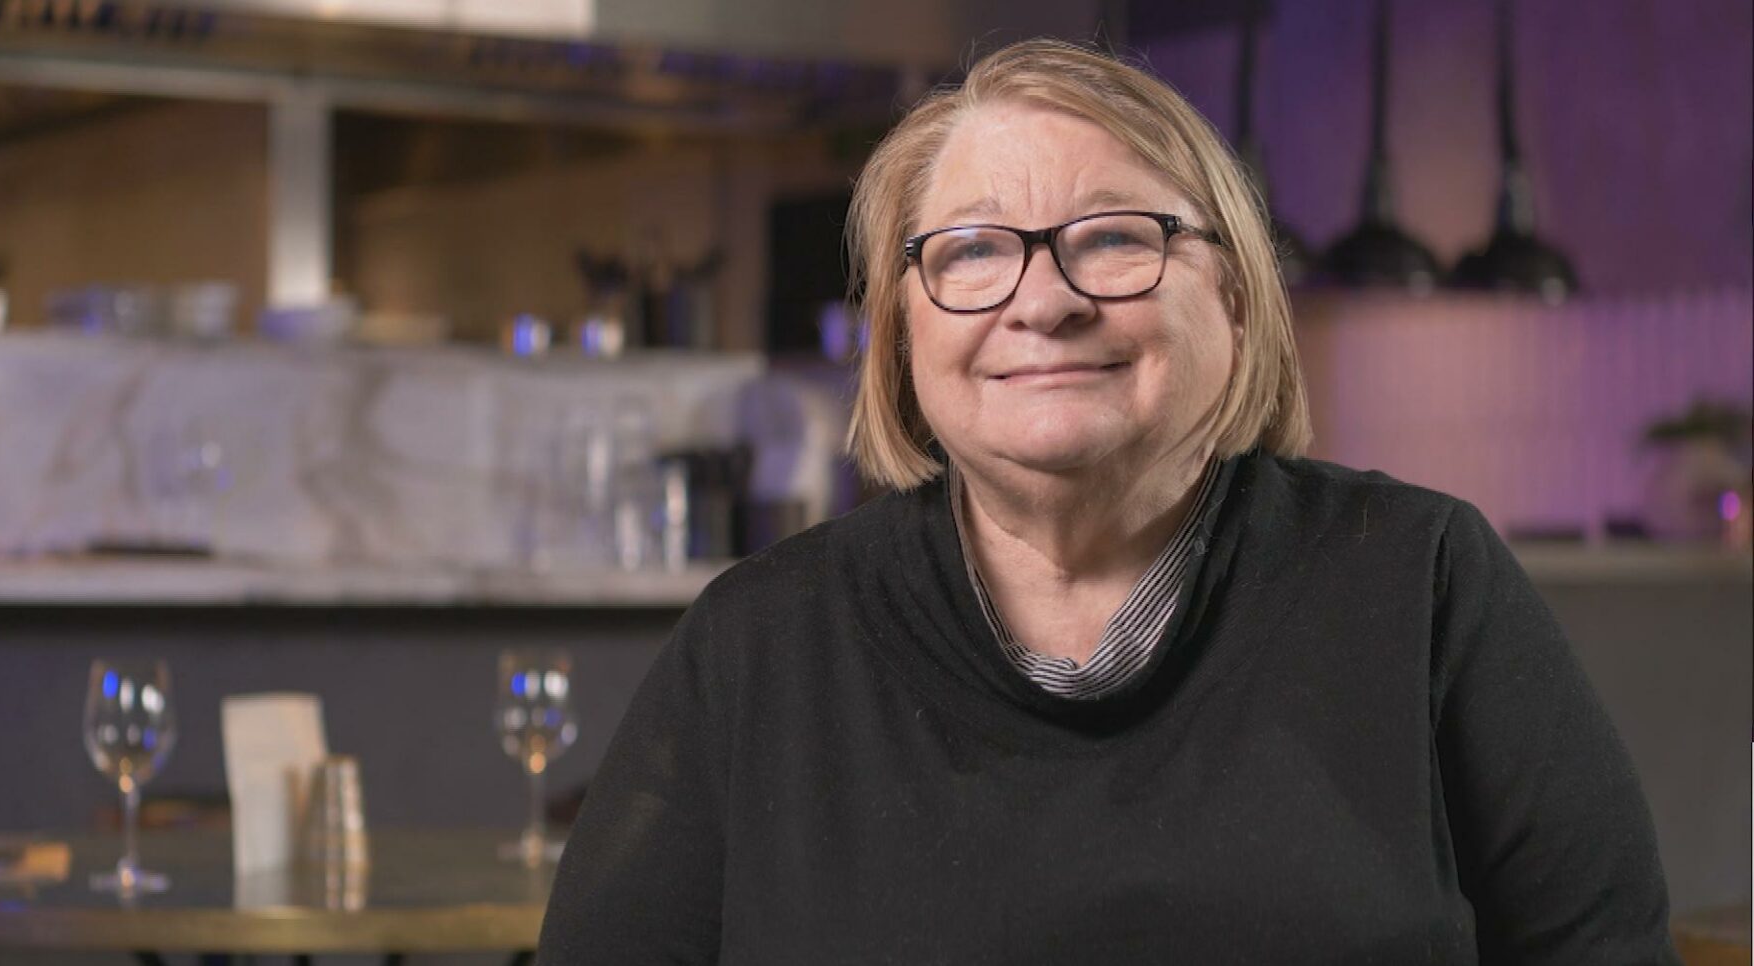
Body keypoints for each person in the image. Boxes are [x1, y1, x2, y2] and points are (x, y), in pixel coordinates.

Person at [538, 39, 1675, 964]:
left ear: (1233, 300)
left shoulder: (1419, 580)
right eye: (973, 250)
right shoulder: (759, 642)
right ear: (902, 328)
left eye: (1114, 238)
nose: (1043, 300)